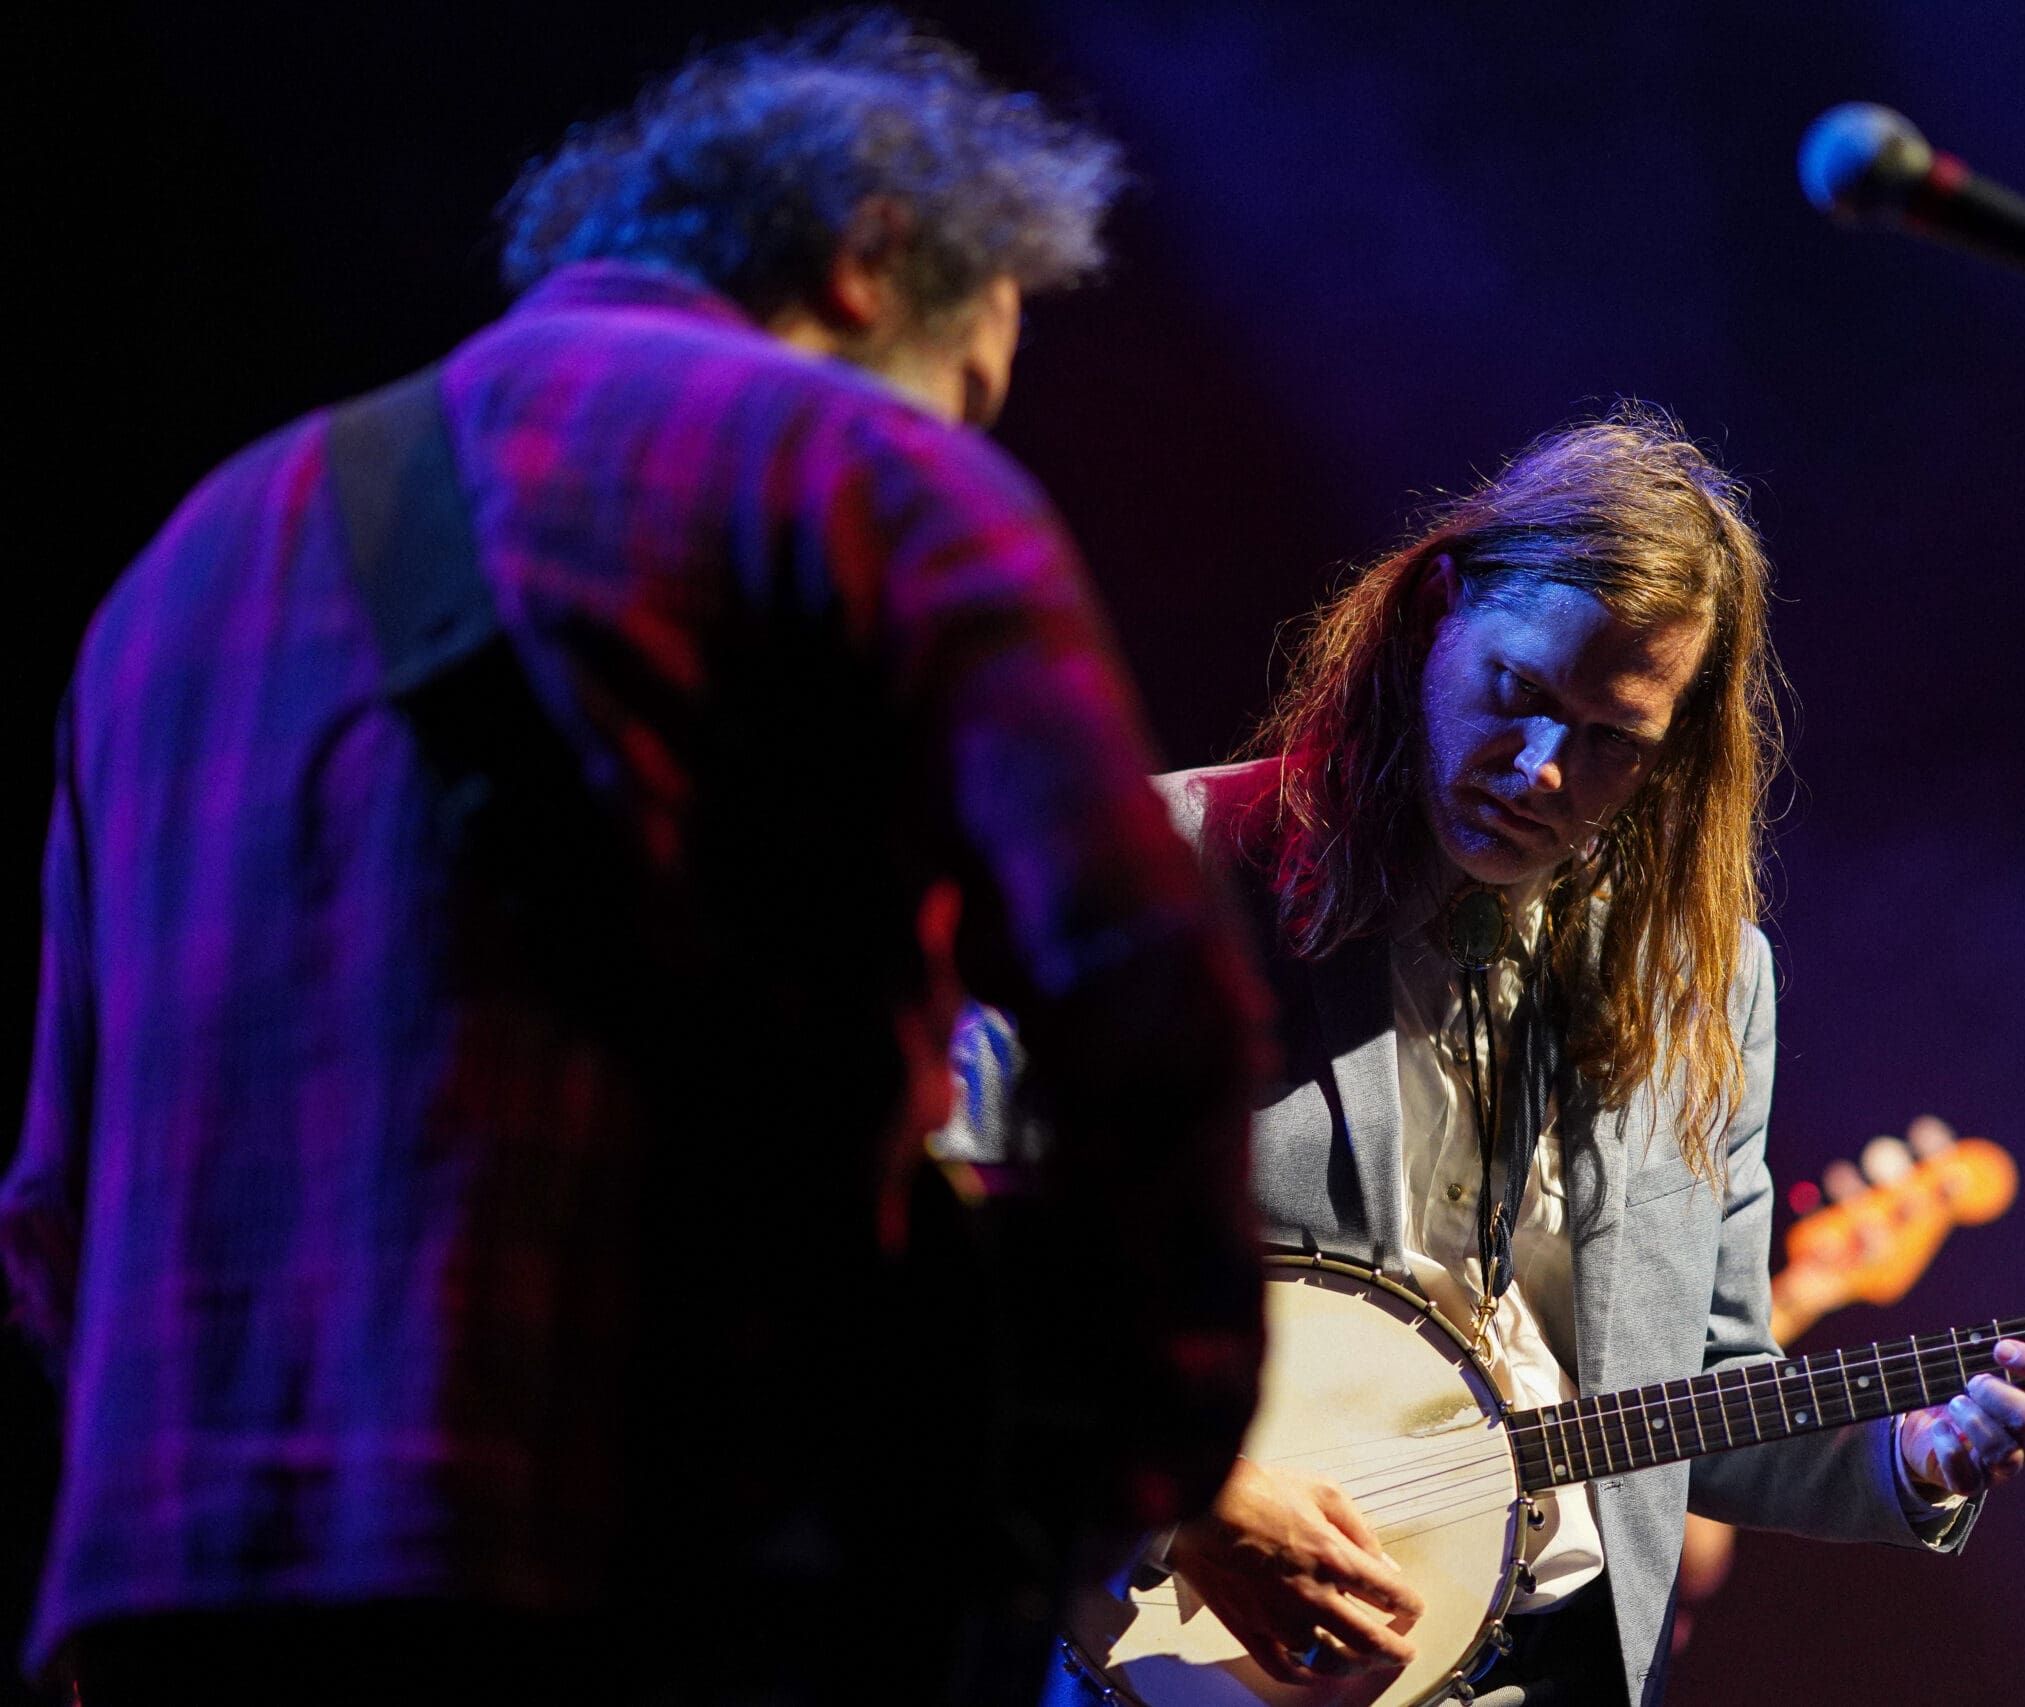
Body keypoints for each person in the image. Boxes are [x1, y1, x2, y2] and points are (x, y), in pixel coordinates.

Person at [0, 15, 1267, 1706]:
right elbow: (1150, 1013)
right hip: (648, 1560)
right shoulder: (857, 472)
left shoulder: (185, 560)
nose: (972, 430)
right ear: (871, 252)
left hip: (179, 1602)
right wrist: (1110, 1473)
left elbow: (52, 1205)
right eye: (975, 380)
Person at [947, 405, 2025, 1707]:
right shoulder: (1157, 872)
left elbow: (1697, 1395)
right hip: (1163, 1657)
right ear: (1438, 609)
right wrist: (1179, 1484)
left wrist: (1911, 1462)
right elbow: (923, 1244)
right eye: (1520, 694)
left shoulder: (1705, 984)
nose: (1545, 770)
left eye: (1614, 741)